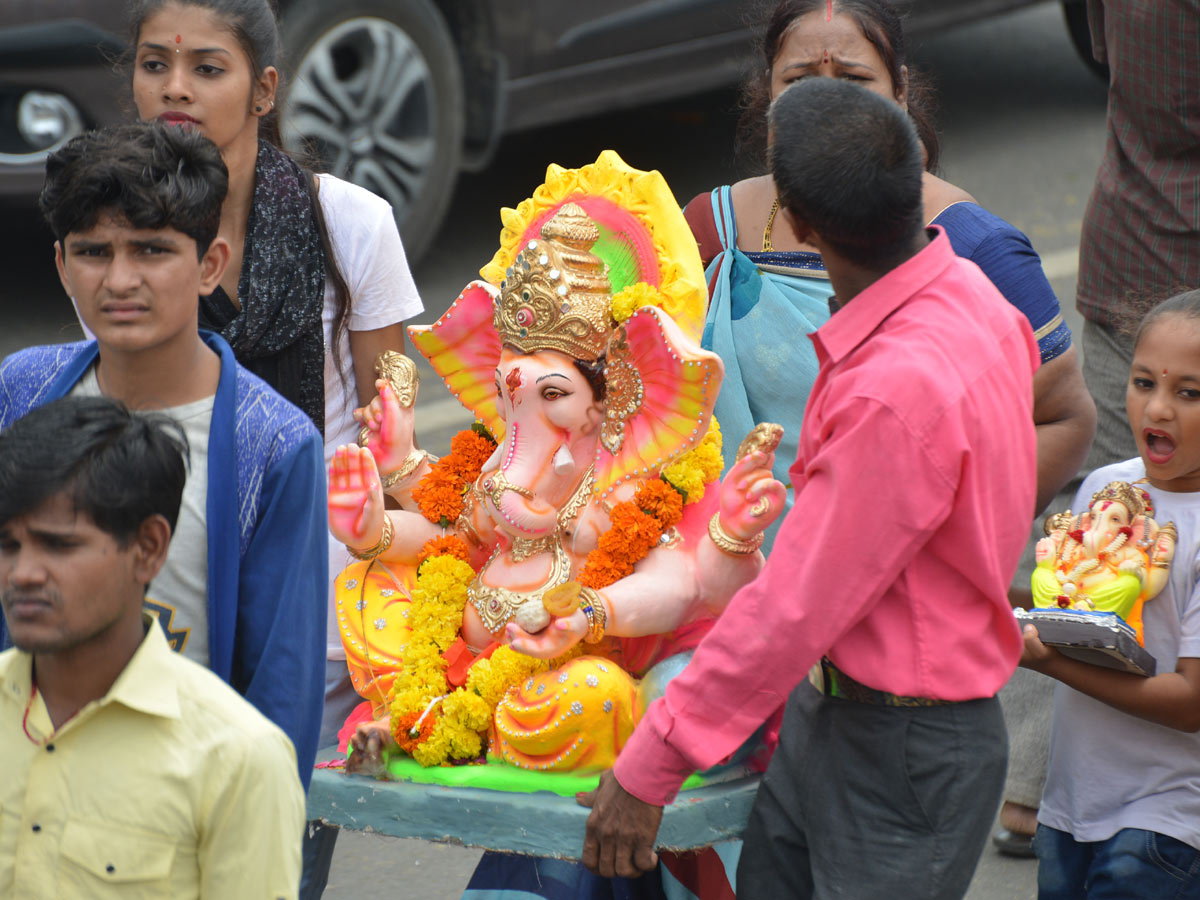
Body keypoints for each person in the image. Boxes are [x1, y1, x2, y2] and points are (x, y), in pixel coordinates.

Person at [579, 78, 1039, 898]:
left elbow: (794, 605)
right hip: (836, 716)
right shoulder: (973, 297)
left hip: (902, 748)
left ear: (797, 221)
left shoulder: (890, 395)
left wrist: (649, 764)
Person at [126, 0, 426, 753]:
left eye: (206, 68)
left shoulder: (352, 223)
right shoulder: (117, 231)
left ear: (264, 91)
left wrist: (401, 629)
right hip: (162, 582)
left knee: (282, 850)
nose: (175, 89)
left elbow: (387, 437)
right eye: (155, 64)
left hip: (313, 598)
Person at [683, 0, 1094, 548]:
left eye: (854, 79)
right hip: (716, 575)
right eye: (800, 81)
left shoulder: (971, 248)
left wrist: (949, 544)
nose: (829, 105)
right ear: (769, 94)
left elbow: (1064, 416)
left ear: (899, 92)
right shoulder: (711, 231)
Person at [0, 122, 328, 789]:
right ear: (63, 265)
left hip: (179, 801)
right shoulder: (24, 392)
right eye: (93, 251)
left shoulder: (274, 445)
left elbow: (282, 680)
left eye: (152, 250)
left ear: (210, 264)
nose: (120, 280)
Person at [0, 395, 305, 899]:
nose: (24, 574)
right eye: (7, 545)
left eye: (58, 545)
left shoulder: (237, 758)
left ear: (147, 548)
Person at [1021, 289, 1200, 899]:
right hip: (1071, 810)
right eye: (1143, 381)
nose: (1158, 408)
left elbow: (1189, 701)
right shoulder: (1104, 485)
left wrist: (1050, 663)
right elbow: (1073, 609)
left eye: (1188, 392)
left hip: (1167, 829)